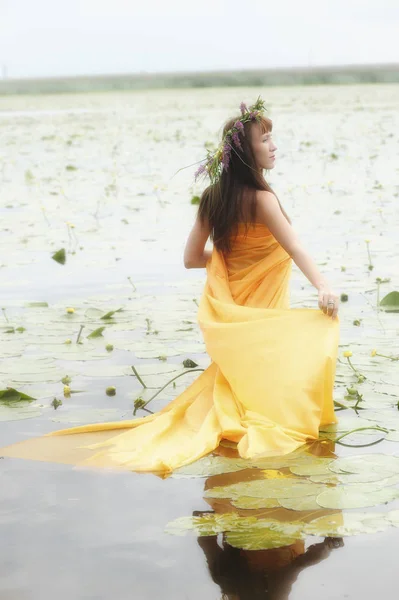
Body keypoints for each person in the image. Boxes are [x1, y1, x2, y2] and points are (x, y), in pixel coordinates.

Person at [0, 96, 340, 477]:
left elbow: (192, 258)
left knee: (240, 374)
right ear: (246, 152)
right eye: (265, 140)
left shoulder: (213, 199)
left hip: (233, 304)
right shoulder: (263, 200)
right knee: (266, 368)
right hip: (260, 307)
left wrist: (229, 258)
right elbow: (294, 247)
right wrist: (323, 285)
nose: (274, 146)